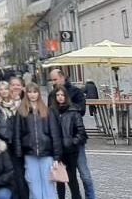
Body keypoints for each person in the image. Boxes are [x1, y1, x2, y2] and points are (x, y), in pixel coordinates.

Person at [45, 70, 92, 199]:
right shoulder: (51, 98)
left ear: (61, 77)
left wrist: (73, 142)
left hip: (73, 147)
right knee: (60, 179)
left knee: (82, 175)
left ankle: (90, 196)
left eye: (54, 80)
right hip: (59, 148)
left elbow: (81, 112)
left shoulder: (76, 93)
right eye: (52, 80)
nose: (53, 83)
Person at [12, 84, 61, 199]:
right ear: (26, 94)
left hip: (46, 153)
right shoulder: (21, 112)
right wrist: (19, 154)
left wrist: (56, 156)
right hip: (30, 153)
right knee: (33, 184)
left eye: (35, 92)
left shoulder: (47, 111)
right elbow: (17, 134)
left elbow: (55, 134)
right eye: (30, 92)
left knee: (48, 184)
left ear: (38, 93)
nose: (32, 95)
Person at [52, 88, 85, 199]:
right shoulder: (52, 111)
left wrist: (72, 142)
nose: (60, 97)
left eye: (62, 95)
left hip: (70, 150)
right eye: (58, 95)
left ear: (66, 96)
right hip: (58, 150)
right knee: (60, 180)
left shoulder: (73, 111)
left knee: (72, 179)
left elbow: (81, 131)